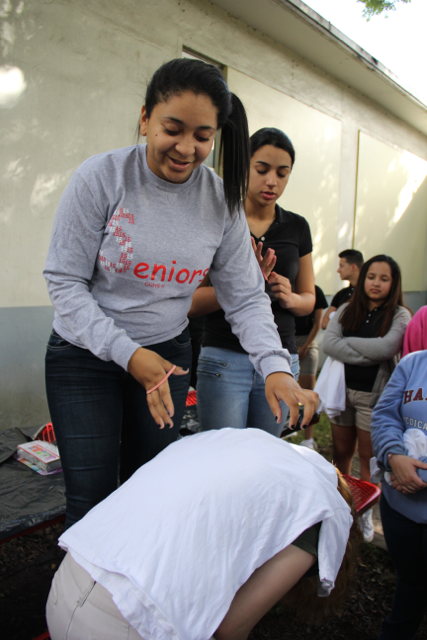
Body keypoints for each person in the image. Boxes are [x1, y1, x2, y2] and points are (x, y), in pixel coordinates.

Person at [43, 59, 316, 529]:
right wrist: (128, 354)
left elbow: (246, 296)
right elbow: (64, 282)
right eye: (173, 128)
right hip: (84, 356)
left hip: (166, 357)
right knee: (92, 499)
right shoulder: (101, 178)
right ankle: (85, 600)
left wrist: (273, 366)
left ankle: (141, 596)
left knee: (150, 489)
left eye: (203, 136)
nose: (187, 148)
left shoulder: (221, 200)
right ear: (146, 118)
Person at [46, 428, 359, 640]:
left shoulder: (240, 442)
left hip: (70, 577)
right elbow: (230, 629)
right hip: (129, 623)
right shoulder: (321, 512)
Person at [190, 127, 315, 436]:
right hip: (224, 357)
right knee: (223, 458)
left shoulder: (297, 227)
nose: (272, 181)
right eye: (262, 169)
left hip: (280, 356)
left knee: (265, 459)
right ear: (244, 166)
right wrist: (243, 285)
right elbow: (190, 301)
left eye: (282, 174)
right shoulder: (219, 218)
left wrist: (290, 298)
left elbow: (309, 299)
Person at [322, 255, 411, 542]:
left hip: (374, 397)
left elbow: (387, 348)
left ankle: (366, 514)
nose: (376, 283)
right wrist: (366, 351)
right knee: (341, 453)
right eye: (372, 277)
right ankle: (343, 506)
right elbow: (328, 344)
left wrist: (346, 345)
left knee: (369, 457)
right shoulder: (348, 308)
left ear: (393, 283)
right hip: (341, 392)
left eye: (384, 279)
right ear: (364, 278)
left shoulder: (400, 315)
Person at [370, 350, 427, 640]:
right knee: (410, 582)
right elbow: (384, 415)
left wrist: (415, 475)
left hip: (407, 484)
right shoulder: (413, 362)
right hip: (399, 504)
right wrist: (394, 456)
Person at [296, 284, 329, 450]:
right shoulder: (284, 287)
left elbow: (317, 324)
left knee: (308, 393)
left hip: (307, 343)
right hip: (287, 342)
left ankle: (308, 439)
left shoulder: (316, 291)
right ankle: (289, 427)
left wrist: (305, 347)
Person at [321, 249, 364, 330]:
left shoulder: (368, 293)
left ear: (353, 267)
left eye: (341, 266)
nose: (338, 270)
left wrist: (335, 316)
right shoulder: (341, 294)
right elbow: (324, 324)